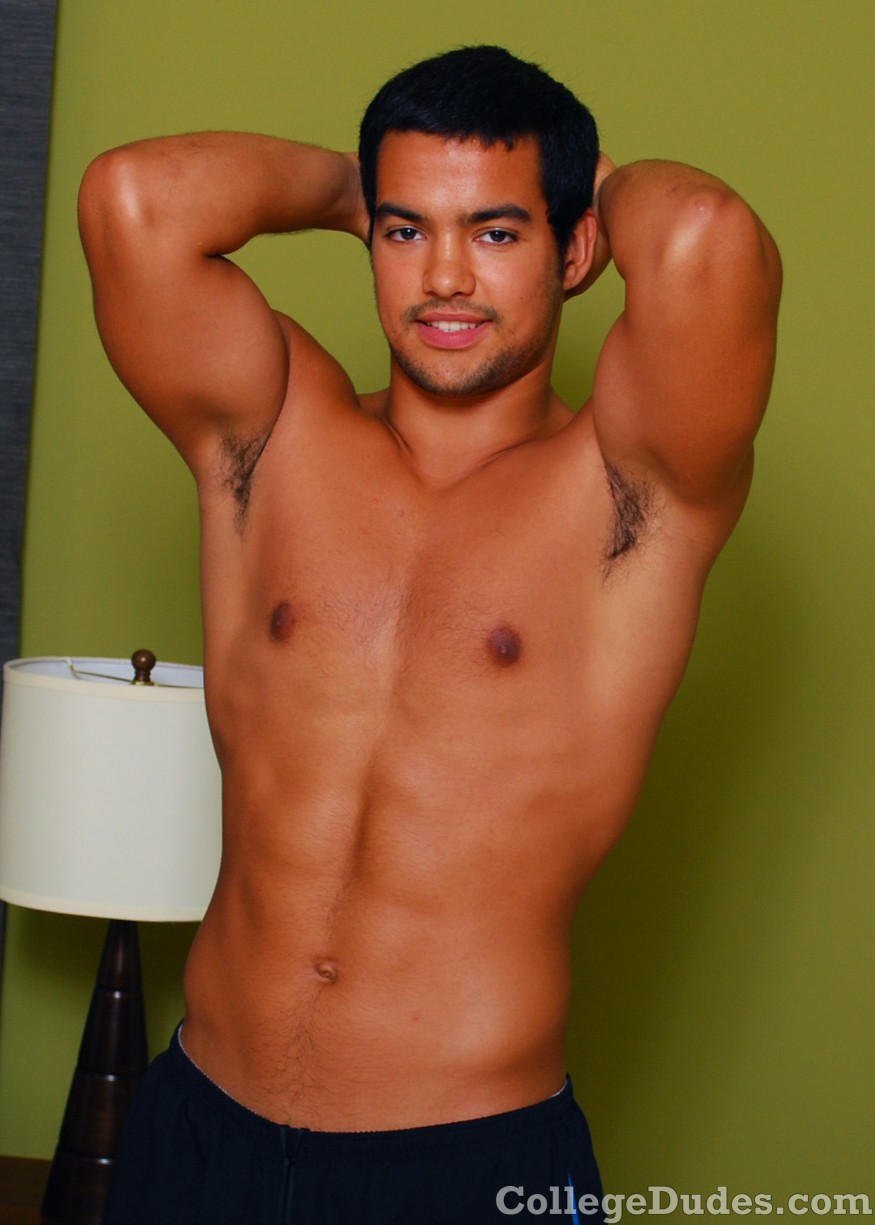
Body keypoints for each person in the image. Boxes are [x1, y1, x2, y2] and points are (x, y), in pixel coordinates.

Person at [78, 45, 781, 1225]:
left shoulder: (628, 492)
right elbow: (131, 199)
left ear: (574, 251)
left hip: (461, 1163)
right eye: (407, 232)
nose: (444, 276)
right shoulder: (271, 428)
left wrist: (593, 186)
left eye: (495, 233)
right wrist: (352, 191)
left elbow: (705, 234)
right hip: (198, 1131)